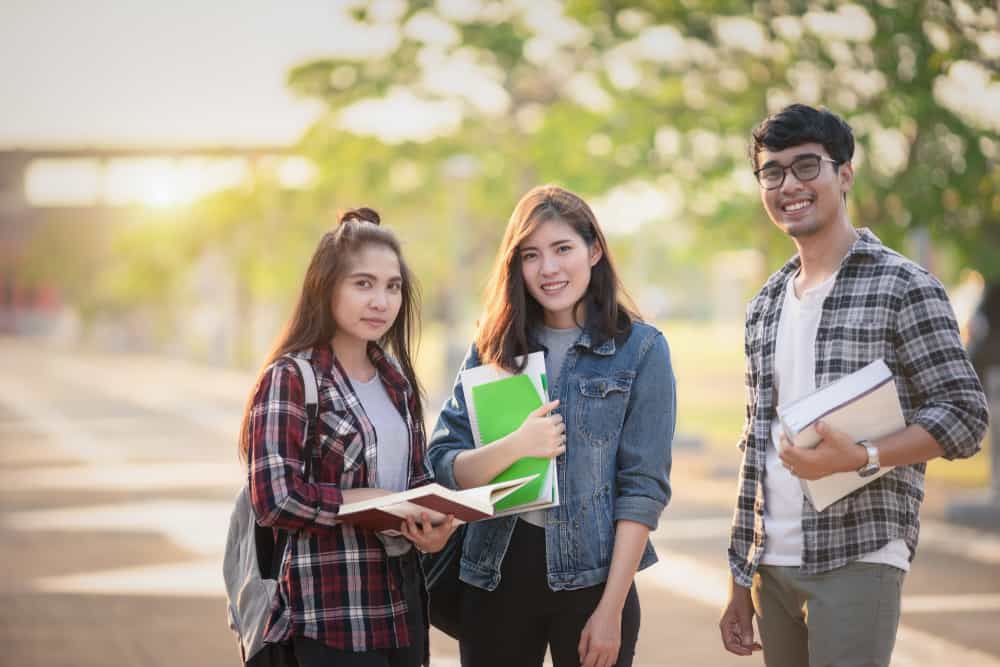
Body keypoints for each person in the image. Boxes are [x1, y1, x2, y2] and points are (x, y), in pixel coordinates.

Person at [719, 104, 990, 666]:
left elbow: (965, 416)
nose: (788, 184)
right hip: (772, 564)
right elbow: (756, 447)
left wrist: (861, 456)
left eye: (806, 166)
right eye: (773, 172)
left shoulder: (904, 285)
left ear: (844, 175)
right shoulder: (764, 305)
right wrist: (738, 578)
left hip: (859, 552)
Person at [427, 185, 675, 667]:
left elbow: (642, 491)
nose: (549, 269)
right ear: (515, 265)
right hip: (496, 573)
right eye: (531, 255)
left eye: (563, 248)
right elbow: (443, 464)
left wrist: (611, 610)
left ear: (594, 250)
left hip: (594, 581)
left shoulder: (641, 350)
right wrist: (516, 446)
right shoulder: (492, 347)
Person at [240, 208, 457, 667]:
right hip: (328, 615)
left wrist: (431, 528)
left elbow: (414, 481)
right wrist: (362, 500)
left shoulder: (395, 379)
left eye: (392, 286)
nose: (381, 300)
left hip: (401, 610)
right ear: (327, 287)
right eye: (363, 284)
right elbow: (273, 498)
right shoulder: (292, 377)